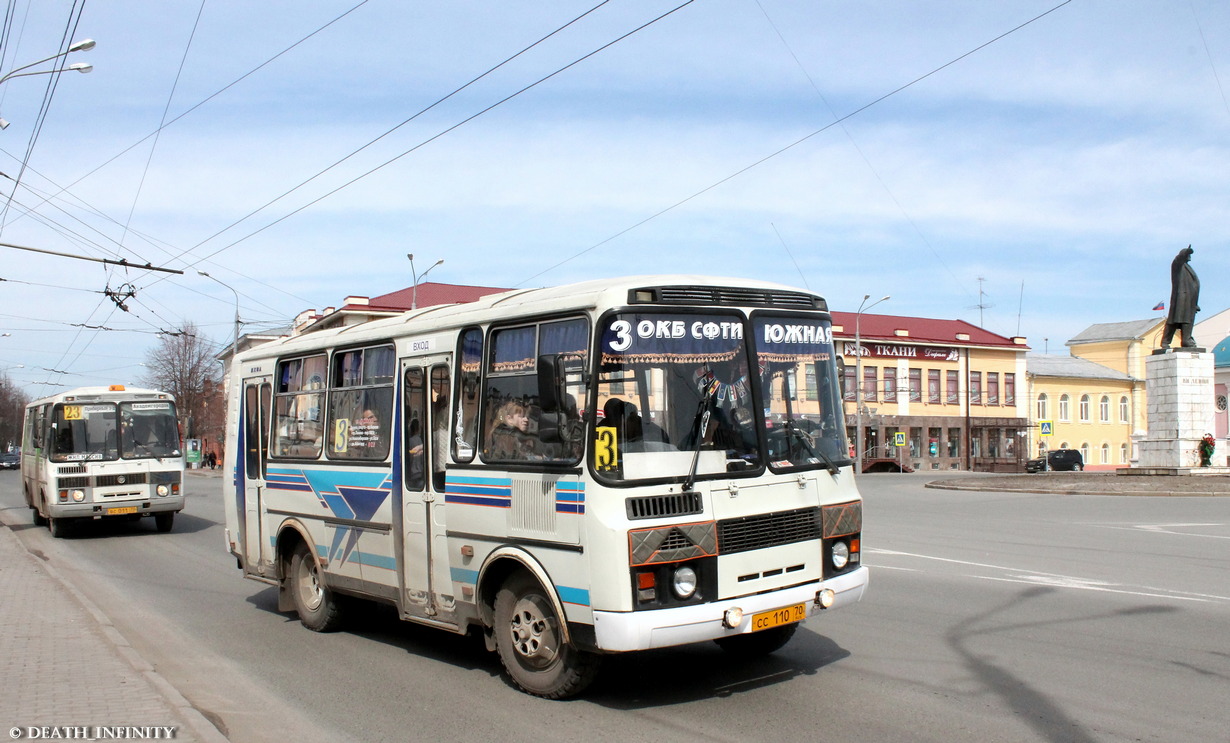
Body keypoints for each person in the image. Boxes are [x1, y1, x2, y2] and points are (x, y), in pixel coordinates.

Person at [1161, 245, 1200, 349]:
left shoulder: (1188, 268)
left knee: (1188, 320)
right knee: (1174, 320)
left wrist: (1195, 303)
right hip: (1181, 299)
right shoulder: (1177, 266)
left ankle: (1186, 340)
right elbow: (1178, 259)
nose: (1189, 256)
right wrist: (1186, 251)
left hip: (1190, 301)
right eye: (1188, 255)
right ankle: (1165, 341)